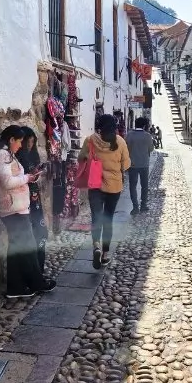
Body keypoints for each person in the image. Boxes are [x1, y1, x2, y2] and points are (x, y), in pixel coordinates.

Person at [0, 125, 56, 299]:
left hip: (16, 207)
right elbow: (7, 182)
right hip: (13, 209)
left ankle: (15, 287)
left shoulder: (6, 154)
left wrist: (30, 176)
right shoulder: (2, 155)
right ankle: (37, 282)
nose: (20, 145)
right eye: (18, 141)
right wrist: (27, 178)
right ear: (11, 139)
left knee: (17, 249)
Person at [79, 114, 131, 269]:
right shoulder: (120, 141)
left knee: (96, 217)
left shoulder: (90, 140)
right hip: (114, 187)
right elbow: (126, 165)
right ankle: (105, 254)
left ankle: (96, 245)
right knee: (108, 218)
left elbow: (81, 158)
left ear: (99, 126)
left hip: (95, 185)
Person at [16, 127, 48, 274]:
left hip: (34, 196)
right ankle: (32, 270)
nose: (29, 145)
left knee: (40, 231)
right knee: (29, 232)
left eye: (32, 142)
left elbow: (34, 176)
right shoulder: (18, 158)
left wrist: (36, 173)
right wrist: (30, 176)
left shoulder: (33, 155)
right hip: (24, 198)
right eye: (27, 142)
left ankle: (39, 266)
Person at [126, 117, 154, 215]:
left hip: (132, 164)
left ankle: (135, 207)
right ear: (144, 125)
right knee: (144, 185)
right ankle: (143, 205)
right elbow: (151, 149)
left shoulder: (129, 135)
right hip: (144, 164)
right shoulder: (147, 136)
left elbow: (126, 148)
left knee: (132, 186)